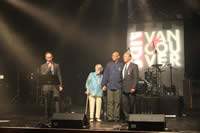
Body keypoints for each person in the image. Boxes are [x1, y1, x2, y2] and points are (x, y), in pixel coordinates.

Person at [40, 52, 63, 121]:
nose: (49, 58)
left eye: (50, 57)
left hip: (55, 86)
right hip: (46, 86)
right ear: (45, 58)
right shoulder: (43, 66)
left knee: (57, 100)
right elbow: (43, 75)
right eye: (48, 57)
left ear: (52, 57)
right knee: (47, 102)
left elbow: (59, 76)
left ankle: (58, 116)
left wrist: (60, 85)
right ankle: (47, 116)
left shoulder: (56, 65)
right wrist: (48, 68)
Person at [102, 51, 123, 122]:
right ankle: (110, 117)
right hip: (110, 86)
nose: (113, 57)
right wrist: (104, 84)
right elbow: (105, 75)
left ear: (118, 57)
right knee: (110, 102)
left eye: (115, 55)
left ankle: (116, 117)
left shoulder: (121, 65)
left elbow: (123, 76)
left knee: (117, 103)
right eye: (112, 55)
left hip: (118, 86)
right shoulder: (109, 64)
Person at [122, 52, 139, 121]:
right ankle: (127, 118)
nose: (124, 57)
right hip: (124, 88)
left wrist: (133, 87)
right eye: (124, 56)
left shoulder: (134, 66)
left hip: (131, 88)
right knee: (125, 104)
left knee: (132, 104)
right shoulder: (124, 66)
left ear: (130, 57)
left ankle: (133, 119)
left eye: (126, 56)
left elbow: (135, 78)